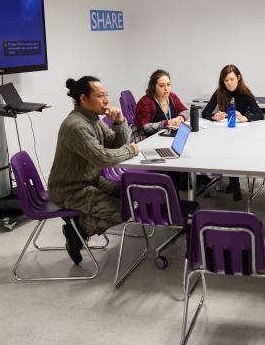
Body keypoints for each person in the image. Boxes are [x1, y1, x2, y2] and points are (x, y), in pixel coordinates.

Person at [48, 76, 140, 265]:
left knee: (130, 196)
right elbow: (102, 157)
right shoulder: (77, 126)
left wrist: (119, 122)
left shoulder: (93, 120)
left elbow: (115, 143)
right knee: (124, 211)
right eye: (100, 96)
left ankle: (80, 225)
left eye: (106, 95)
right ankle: (79, 229)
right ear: (83, 98)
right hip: (70, 190)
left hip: (90, 181)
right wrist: (131, 149)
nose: (106, 100)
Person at [202, 64, 263, 200]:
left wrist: (245, 118)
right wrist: (214, 117)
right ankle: (233, 182)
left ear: (238, 78)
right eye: (226, 80)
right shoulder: (219, 92)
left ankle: (234, 182)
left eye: (232, 79)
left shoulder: (245, 93)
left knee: (234, 150)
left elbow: (259, 114)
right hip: (223, 134)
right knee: (226, 149)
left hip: (242, 135)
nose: (229, 83)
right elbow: (205, 112)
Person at [134, 69, 189, 138]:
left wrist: (181, 117)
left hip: (168, 136)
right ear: (153, 87)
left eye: (168, 84)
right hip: (150, 139)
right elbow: (142, 127)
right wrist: (166, 123)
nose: (166, 88)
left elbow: (185, 111)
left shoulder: (172, 96)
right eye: (161, 86)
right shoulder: (145, 102)